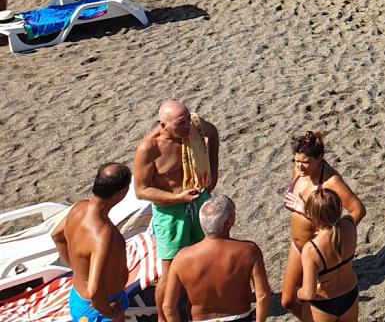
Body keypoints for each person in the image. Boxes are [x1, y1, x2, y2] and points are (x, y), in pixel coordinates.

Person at [134, 100, 220, 322]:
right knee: (170, 270)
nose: (186, 127)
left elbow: (213, 133)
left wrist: (212, 170)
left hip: (199, 202)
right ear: (163, 125)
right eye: (180, 124)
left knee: (205, 256)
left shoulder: (195, 126)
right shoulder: (150, 148)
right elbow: (141, 191)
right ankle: (163, 317)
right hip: (171, 213)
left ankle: (199, 306)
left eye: (187, 120)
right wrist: (176, 198)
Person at [281, 131, 365, 321]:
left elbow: (358, 210)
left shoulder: (332, 181)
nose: (300, 167)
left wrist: (329, 235)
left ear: (320, 159)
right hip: (297, 245)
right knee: (287, 301)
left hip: (318, 248)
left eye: (305, 162)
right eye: (296, 161)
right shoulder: (298, 172)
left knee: (314, 294)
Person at [164, 196, 270, 322]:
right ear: (229, 223)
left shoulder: (182, 258)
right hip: (239, 317)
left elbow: (168, 307)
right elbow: (262, 295)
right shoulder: (248, 251)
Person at [51, 163, 133, 322]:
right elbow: (94, 291)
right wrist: (110, 313)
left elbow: (57, 236)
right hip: (101, 307)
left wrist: (77, 268)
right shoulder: (102, 234)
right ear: (122, 192)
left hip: (79, 298)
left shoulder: (78, 207)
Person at [297, 189, 359, 322]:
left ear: (313, 217)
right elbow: (332, 227)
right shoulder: (349, 224)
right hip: (350, 294)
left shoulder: (311, 249)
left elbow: (308, 293)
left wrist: (297, 292)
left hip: (324, 303)